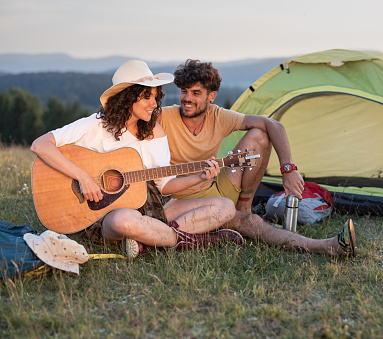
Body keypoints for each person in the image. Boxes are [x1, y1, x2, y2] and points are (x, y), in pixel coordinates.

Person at [31, 60, 244, 260]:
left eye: (155, 97)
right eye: (146, 97)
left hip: (153, 208)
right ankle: (195, 241)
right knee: (124, 221)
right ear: (127, 97)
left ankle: (150, 241)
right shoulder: (95, 125)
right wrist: (83, 177)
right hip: (106, 215)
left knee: (224, 207)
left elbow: (166, 185)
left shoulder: (155, 132)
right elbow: (40, 144)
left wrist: (199, 177)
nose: (154, 104)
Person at [158, 60, 356, 257]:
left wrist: (288, 169)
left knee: (259, 136)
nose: (187, 98)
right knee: (251, 223)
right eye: (184, 91)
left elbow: (274, 125)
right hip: (185, 200)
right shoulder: (164, 117)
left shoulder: (218, 116)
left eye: (196, 93)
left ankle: (244, 205)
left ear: (211, 97)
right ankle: (328, 247)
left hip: (215, 187)